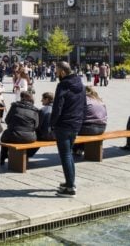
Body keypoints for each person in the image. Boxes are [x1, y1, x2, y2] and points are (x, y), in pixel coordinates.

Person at [50, 61, 85, 197]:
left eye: (57, 71)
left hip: (64, 124)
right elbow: (83, 104)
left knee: (65, 155)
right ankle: (70, 182)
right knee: (69, 153)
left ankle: (70, 187)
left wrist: (52, 124)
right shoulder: (80, 84)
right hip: (75, 123)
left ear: (63, 72)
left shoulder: (63, 85)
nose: (55, 73)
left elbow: (57, 106)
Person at [0, 91, 39, 164]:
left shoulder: (15, 106)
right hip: (29, 137)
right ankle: (26, 156)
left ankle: (3, 157)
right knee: (8, 134)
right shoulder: (35, 110)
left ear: (22, 98)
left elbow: (7, 120)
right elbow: (36, 126)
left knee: (5, 136)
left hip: (13, 135)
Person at [74, 86, 107, 156]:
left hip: (90, 128)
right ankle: (81, 148)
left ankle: (77, 148)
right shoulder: (99, 100)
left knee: (73, 129)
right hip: (102, 128)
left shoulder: (83, 99)